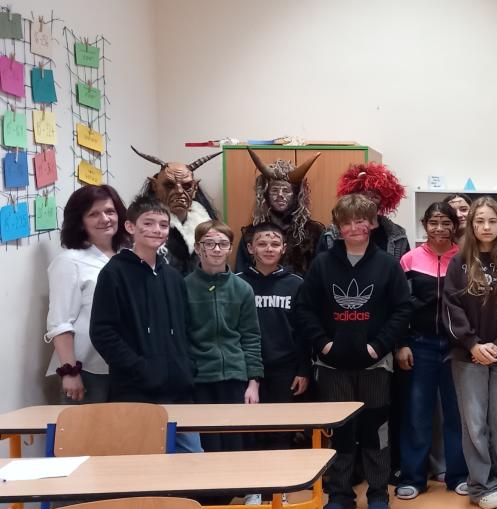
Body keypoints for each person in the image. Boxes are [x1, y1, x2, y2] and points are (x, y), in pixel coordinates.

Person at [296, 193, 412, 509]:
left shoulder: (387, 265)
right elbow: (304, 309)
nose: (354, 228)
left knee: (376, 430)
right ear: (338, 227)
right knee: (340, 432)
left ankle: (378, 493)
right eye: (346, 223)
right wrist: (324, 344)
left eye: (361, 221)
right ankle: (340, 494)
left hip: (375, 364)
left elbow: (402, 310)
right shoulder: (322, 264)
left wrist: (379, 345)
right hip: (332, 365)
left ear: (372, 223)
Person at [89, 198, 201, 455]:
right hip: (136, 391)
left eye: (163, 225)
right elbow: (103, 332)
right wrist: (141, 368)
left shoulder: (173, 276)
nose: (156, 230)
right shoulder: (114, 273)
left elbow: (185, 327)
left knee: (192, 460)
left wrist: (187, 366)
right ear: (130, 227)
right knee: (143, 464)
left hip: (179, 390)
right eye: (148, 223)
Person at [444, 197, 497, 509]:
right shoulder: (458, 263)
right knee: (475, 424)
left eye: (492, 221)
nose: (486, 227)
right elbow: (451, 308)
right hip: (468, 356)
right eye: (479, 221)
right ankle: (481, 485)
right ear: (471, 225)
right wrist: (472, 344)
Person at [186, 220, 263, 509]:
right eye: (209, 243)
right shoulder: (183, 287)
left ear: (231, 249)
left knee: (233, 443)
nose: (216, 249)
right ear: (198, 248)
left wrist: (253, 381)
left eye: (222, 244)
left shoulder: (242, 289)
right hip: (199, 379)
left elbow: (251, 337)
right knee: (206, 446)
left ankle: (226, 506)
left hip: (234, 374)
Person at [396, 202, 469, 500]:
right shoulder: (409, 260)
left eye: (445, 222)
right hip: (419, 344)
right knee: (417, 413)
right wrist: (401, 343)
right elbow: (399, 307)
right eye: (433, 222)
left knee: (457, 413)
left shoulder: (464, 259)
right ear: (425, 225)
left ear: (455, 226)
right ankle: (413, 478)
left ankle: (459, 475)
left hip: (457, 346)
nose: (439, 228)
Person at [45, 185, 128, 404]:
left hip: (125, 364)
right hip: (87, 369)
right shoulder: (69, 261)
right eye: (93, 214)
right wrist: (70, 371)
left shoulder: (127, 255)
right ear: (80, 221)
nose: (105, 219)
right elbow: (60, 322)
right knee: (86, 427)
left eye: (110, 211)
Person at [237, 222, 309, 451]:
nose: (269, 249)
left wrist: (303, 370)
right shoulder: (237, 282)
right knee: (249, 429)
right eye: (262, 244)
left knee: (281, 430)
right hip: (245, 367)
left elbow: (304, 331)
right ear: (250, 248)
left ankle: (280, 476)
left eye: (275, 244)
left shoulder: (296, 284)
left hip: (284, 369)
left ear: (284, 248)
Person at [128, 147, 223, 275]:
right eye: (169, 185)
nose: (179, 191)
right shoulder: (142, 227)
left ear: (195, 187)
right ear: (155, 186)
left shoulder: (209, 228)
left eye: (187, 186)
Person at [234, 149, 325, 275]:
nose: (280, 195)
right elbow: (241, 277)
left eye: (286, 190)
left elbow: (320, 274)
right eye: (274, 190)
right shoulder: (251, 234)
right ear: (266, 195)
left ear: (296, 195)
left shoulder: (314, 233)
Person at [318, 163, 410, 260]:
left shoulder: (398, 236)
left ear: (383, 201)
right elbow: (321, 266)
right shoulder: (332, 234)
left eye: (374, 197)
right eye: (364, 195)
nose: (369, 201)